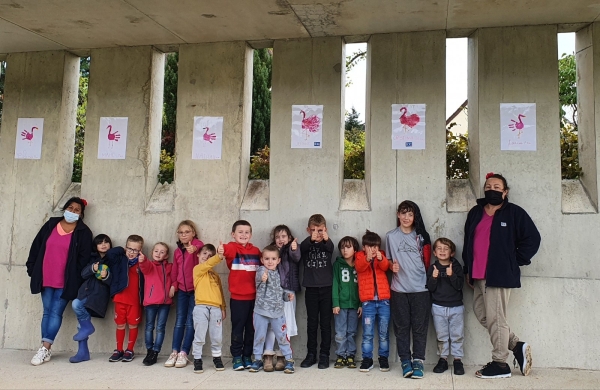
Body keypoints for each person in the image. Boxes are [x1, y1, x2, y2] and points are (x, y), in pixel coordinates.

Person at [463, 172, 540, 379]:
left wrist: (514, 260)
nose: (492, 190)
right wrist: (467, 271)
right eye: (488, 186)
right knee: (483, 315)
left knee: (496, 318)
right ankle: (516, 345)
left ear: (505, 192)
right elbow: (468, 243)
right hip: (478, 275)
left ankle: (500, 364)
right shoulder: (475, 213)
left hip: (499, 274)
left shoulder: (514, 213)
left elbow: (532, 238)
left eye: (497, 187)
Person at [26, 197, 93, 366]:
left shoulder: (83, 232)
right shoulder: (50, 225)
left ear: (81, 214)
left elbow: (84, 259)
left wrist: (76, 279)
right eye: (70, 208)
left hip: (66, 281)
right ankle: (45, 349)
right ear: (65, 209)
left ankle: (44, 347)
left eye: (77, 210)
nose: (72, 211)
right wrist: (31, 268)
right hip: (45, 276)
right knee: (47, 312)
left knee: (56, 312)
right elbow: (36, 246)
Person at [386, 200, 431, 379]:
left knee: (420, 328)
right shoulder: (390, 236)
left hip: (421, 288)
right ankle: (405, 361)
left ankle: (418, 361)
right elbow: (388, 260)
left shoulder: (421, 235)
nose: (406, 217)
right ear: (398, 214)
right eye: (403, 213)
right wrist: (391, 267)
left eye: (410, 214)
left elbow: (427, 260)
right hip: (399, 289)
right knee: (401, 327)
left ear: (415, 217)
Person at [218, 220, 262, 370]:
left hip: (255, 299)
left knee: (251, 329)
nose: (243, 235)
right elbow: (226, 249)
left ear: (251, 234)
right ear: (233, 234)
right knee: (238, 328)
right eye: (240, 232)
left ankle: (247, 356)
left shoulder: (256, 251)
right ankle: (236, 357)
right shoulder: (232, 248)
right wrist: (221, 249)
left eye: (247, 232)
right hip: (238, 299)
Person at [249, 246, 295, 374]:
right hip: (261, 311)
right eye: (267, 258)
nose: (270, 261)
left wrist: (287, 296)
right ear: (262, 260)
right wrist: (262, 278)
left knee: (282, 336)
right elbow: (259, 279)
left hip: (277, 312)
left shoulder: (278, 274)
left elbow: (279, 291)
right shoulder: (261, 270)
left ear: (278, 260)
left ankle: (289, 360)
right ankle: (257, 359)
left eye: (273, 258)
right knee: (259, 336)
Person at [165, 220, 204, 368]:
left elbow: (201, 246)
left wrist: (195, 248)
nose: (184, 235)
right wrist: (174, 285)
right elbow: (175, 270)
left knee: (190, 321)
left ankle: (184, 352)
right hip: (181, 290)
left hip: (195, 290)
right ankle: (174, 351)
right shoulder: (177, 252)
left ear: (193, 233)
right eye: (181, 232)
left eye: (187, 232)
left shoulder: (196, 247)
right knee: (179, 321)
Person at [70, 234, 113, 363]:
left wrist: (106, 276)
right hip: (85, 293)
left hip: (97, 296)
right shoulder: (91, 258)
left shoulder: (113, 259)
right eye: (100, 243)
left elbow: (115, 281)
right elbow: (83, 274)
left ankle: (87, 329)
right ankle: (83, 352)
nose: (103, 244)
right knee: (81, 325)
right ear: (95, 246)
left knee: (76, 305)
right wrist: (92, 268)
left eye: (106, 242)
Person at [263, 225, 301, 372]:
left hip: (288, 291)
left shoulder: (291, 250)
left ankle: (282, 356)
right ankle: (268, 355)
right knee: (271, 325)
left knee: (287, 325)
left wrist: (293, 248)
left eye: (283, 236)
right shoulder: (271, 251)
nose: (280, 239)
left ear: (289, 238)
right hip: (273, 292)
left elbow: (296, 257)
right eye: (277, 237)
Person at [300, 214, 335, 369]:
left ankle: (324, 355)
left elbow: (330, 248)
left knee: (326, 323)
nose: (317, 233)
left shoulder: (327, 244)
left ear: (325, 230)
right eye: (313, 230)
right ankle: (311, 354)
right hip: (311, 289)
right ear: (308, 230)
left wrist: (325, 238)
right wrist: (311, 239)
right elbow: (302, 249)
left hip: (327, 289)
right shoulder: (306, 244)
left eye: (320, 230)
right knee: (312, 323)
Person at [426, 238, 465, 375]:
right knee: (441, 335)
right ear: (435, 252)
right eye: (439, 248)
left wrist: (452, 275)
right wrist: (434, 277)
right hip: (438, 307)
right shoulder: (432, 268)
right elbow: (430, 288)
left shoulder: (457, 266)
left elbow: (460, 286)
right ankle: (443, 359)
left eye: (446, 248)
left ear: (452, 253)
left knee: (457, 335)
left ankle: (457, 360)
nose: (442, 251)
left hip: (456, 307)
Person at [104, 234, 145, 363]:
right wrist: (122, 250)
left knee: (133, 324)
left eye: (135, 250)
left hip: (134, 300)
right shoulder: (120, 259)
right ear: (125, 247)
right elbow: (109, 254)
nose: (132, 252)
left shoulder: (141, 263)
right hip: (120, 298)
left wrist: (142, 260)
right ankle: (118, 350)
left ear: (140, 250)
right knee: (120, 324)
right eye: (129, 249)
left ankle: (130, 350)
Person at [355, 231, 391, 373]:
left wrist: (381, 259)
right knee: (368, 333)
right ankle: (367, 359)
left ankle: (383, 359)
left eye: (375, 246)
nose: (373, 249)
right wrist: (367, 259)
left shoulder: (381, 255)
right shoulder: (359, 256)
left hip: (384, 302)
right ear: (364, 247)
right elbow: (359, 267)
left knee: (384, 332)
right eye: (370, 246)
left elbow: (385, 267)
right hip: (368, 303)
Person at [191, 244, 226, 374]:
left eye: (210, 255)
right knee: (199, 335)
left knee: (217, 336)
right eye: (205, 253)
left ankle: (217, 358)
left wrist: (223, 307)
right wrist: (218, 256)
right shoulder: (197, 269)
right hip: (201, 307)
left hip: (216, 308)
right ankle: (197, 359)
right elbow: (206, 265)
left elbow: (220, 292)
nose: (207, 257)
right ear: (198, 255)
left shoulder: (215, 275)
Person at [139, 242, 173, 366]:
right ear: (152, 253)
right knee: (149, 327)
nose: (158, 253)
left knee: (160, 328)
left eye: (162, 252)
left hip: (165, 303)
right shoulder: (150, 266)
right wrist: (143, 260)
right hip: (151, 302)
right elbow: (144, 266)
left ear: (167, 255)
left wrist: (174, 286)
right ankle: (149, 350)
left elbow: (176, 278)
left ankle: (155, 351)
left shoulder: (170, 267)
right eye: (156, 251)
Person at [332, 236, 361, 369]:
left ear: (355, 249)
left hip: (354, 305)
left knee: (351, 332)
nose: (345, 250)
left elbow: (362, 285)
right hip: (341, 305)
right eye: (342, 247)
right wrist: (335, 303)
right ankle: (340, 355)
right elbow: (335, 284)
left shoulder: (359, 265)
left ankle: (350, 355)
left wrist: (360, 304)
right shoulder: (337, 265)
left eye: (348, 247)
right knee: (340, 331)